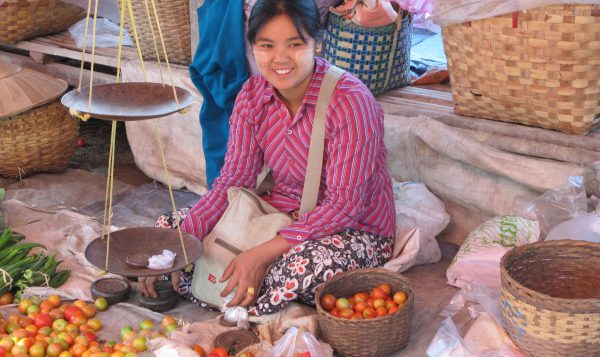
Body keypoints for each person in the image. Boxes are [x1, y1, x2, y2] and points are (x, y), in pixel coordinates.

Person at [141, 0, 396, 316]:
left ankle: (219, 287)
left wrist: (260, 254)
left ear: (317, 43)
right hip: (279, 212)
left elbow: (344, 205)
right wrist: (183, 240)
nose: (280, 58)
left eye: (295, 44)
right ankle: (241, 291)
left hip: (353, 228)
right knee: (171, 229)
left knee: (304, 268)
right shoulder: (252, 96)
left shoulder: (351, 103)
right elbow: (234, 180)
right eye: (267, 45)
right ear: (252, 48)